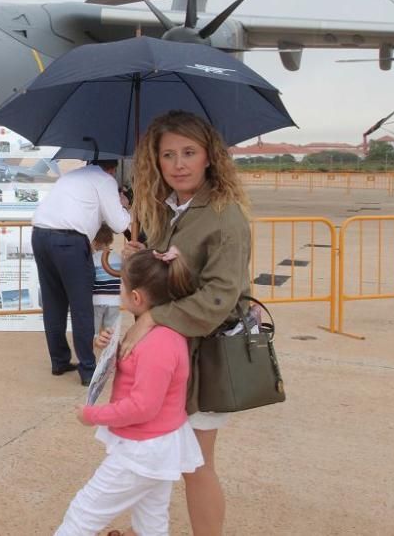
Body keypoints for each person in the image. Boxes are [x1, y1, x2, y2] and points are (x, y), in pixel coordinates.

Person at [123, 110, 252, 536]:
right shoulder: (168, 211)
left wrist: (154, 317)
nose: (179, 164)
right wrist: (140, 259)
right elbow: (167, 279)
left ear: (209, 157)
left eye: (189, 152)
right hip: (171, 356)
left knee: (196, 463)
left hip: (206, 356)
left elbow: (219, 297)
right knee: (157, 458)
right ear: (155, 162)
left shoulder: (224, 215)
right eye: (168, 155)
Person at [55, 248, 203, 536]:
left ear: (137, 298)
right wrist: (105, 347)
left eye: (121, 286)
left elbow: (142, 406)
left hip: (142, 450)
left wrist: (93, 415)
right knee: (151, 520)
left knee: (84, 513)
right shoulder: (156, 332)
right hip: (158, 446)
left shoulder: (157, 343)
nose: (119, 292)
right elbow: (133, 373)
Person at [31, 159, 130, 385]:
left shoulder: (71, 176)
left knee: (53, 301)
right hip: (69, 242)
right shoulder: (105, 180)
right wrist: (123, 204)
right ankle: (88, 369)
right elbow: (119, 224)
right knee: (81, 305)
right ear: (112, 169)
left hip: (40, 235)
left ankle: (59, 360)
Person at [91, 224, 122, 353]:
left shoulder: (92, 259)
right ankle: (111, 354)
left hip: (97, 300)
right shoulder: (119, 258)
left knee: (92, 330)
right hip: (115, 300)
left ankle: (90, 353)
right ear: (110, 240)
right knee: (111, 329)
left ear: (94, 242)